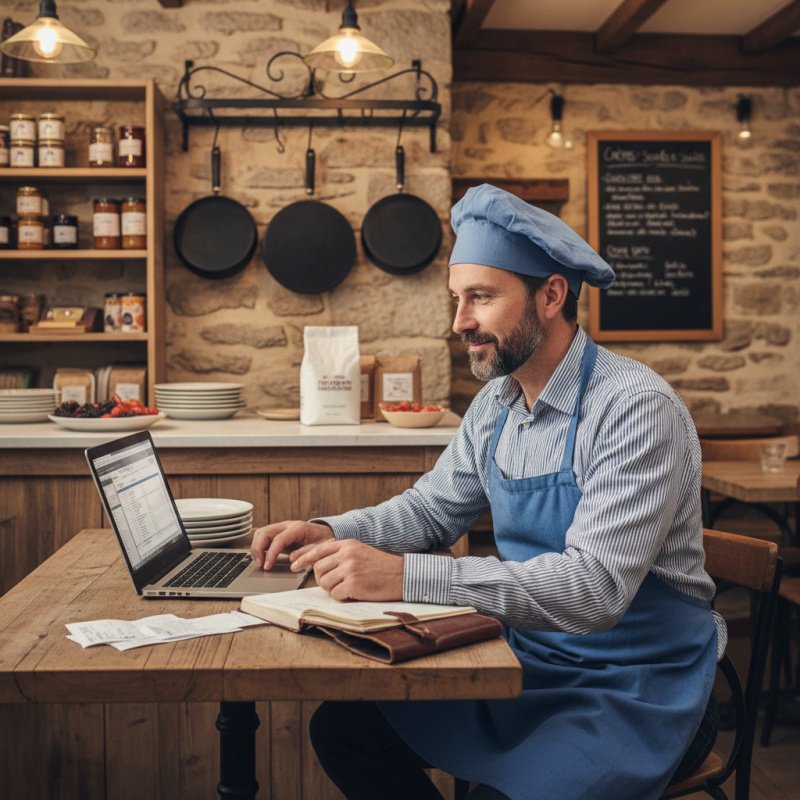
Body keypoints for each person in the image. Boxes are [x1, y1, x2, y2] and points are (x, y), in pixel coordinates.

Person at [251, 184, 725, 800]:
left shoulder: (634, 408)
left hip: (641, 685)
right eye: (457, 298)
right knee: (346, 729)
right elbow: (428, 509)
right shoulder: (495, 405)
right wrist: (333, 530)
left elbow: (596, 591)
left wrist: (405, 577)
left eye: (480, 297)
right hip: (530, 661)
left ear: (551, 294)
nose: (459, 323)